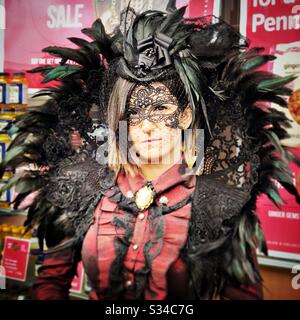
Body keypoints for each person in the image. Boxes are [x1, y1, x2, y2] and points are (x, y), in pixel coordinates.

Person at [0, 2, 299, 300]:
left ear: (184, 115)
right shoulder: (85, 186)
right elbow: (50, 282)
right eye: (133, 113)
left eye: (160, 108)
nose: (147, 125)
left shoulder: (218, 201)